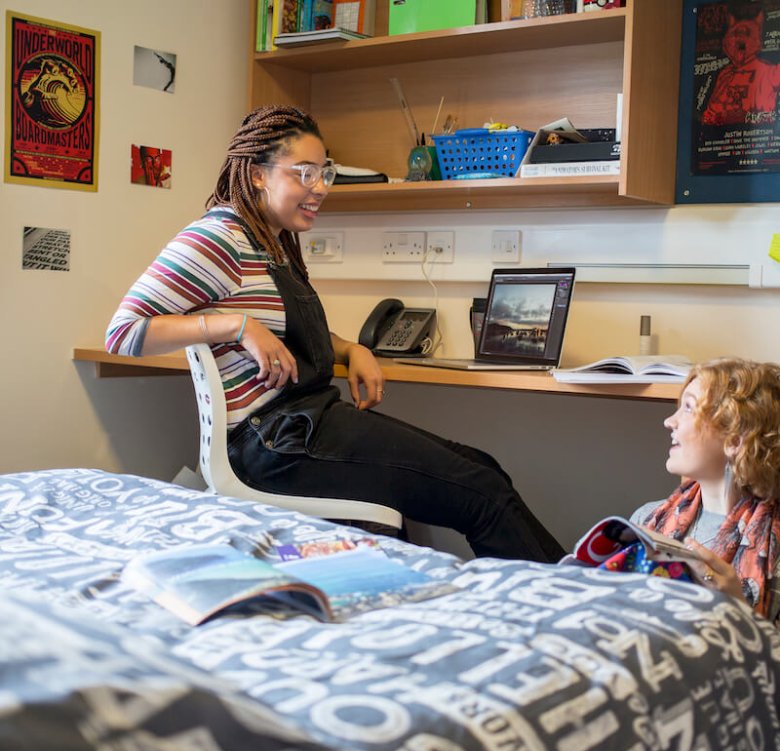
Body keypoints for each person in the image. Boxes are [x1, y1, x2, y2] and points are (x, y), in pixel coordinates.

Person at [106, 105, 564, 563]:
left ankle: (559, 592)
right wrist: (235, 325)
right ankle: (565, 603)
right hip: (273, 442)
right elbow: (124, 333)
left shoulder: (271, 240)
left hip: (306, 421)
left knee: (485, 470)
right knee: (480, 493)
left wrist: (351, 348)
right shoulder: (217, 239)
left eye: (324, 172)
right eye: (304, 173)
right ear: (259, 174)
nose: (320, 187)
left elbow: (295, 328)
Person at [628, 358, 780, 627]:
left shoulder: (775, 547)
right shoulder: (647, 520)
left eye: (688, 408)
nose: (669, 421)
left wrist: (740, 613)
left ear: (734, 439)